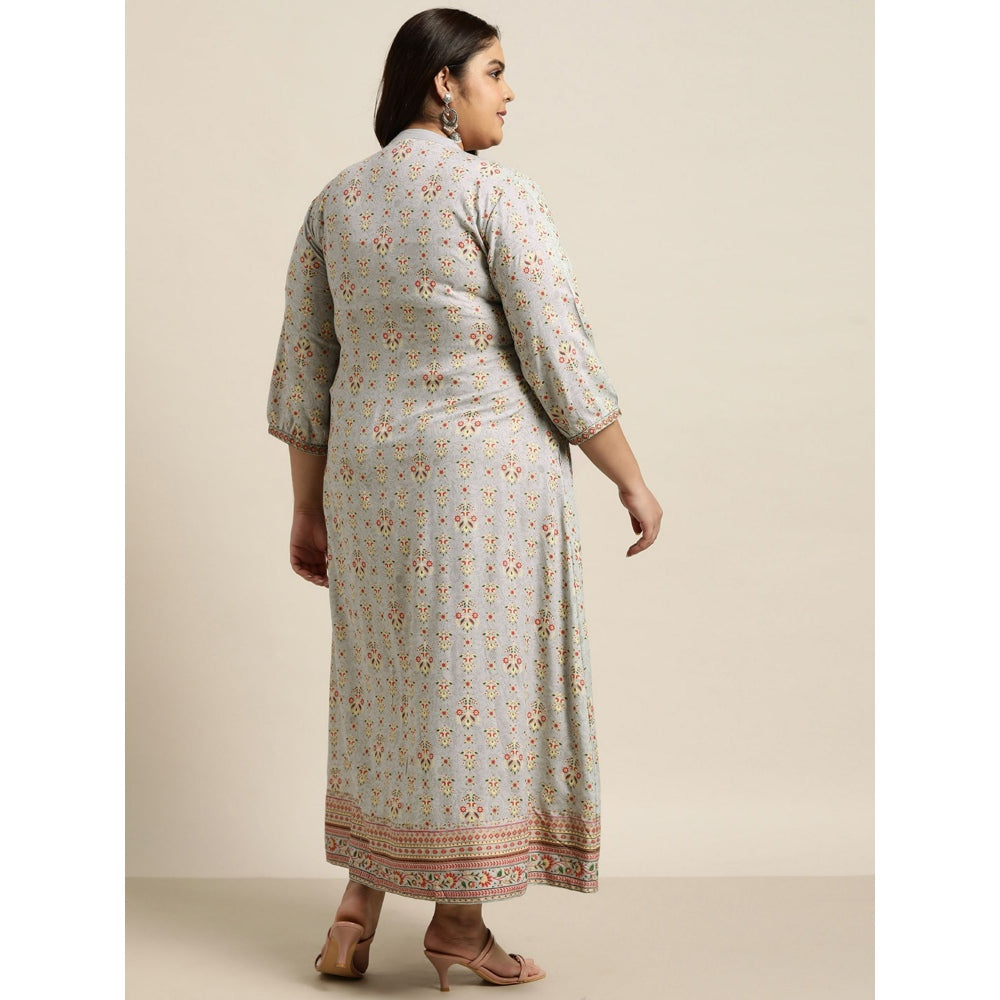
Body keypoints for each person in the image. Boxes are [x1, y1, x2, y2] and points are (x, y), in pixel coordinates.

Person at [266, 7, 663, 990]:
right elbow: (558, 353)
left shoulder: (334, 204)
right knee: (472, 702)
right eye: (494, 70)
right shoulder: (493, 193)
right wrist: (628, 475)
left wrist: (307, 509)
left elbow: (305, 374)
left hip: (369, 488)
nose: (509, 91)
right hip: (482, 492)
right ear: (442, 83)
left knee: (389, 692)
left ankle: (356, 911)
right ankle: (457, 926)